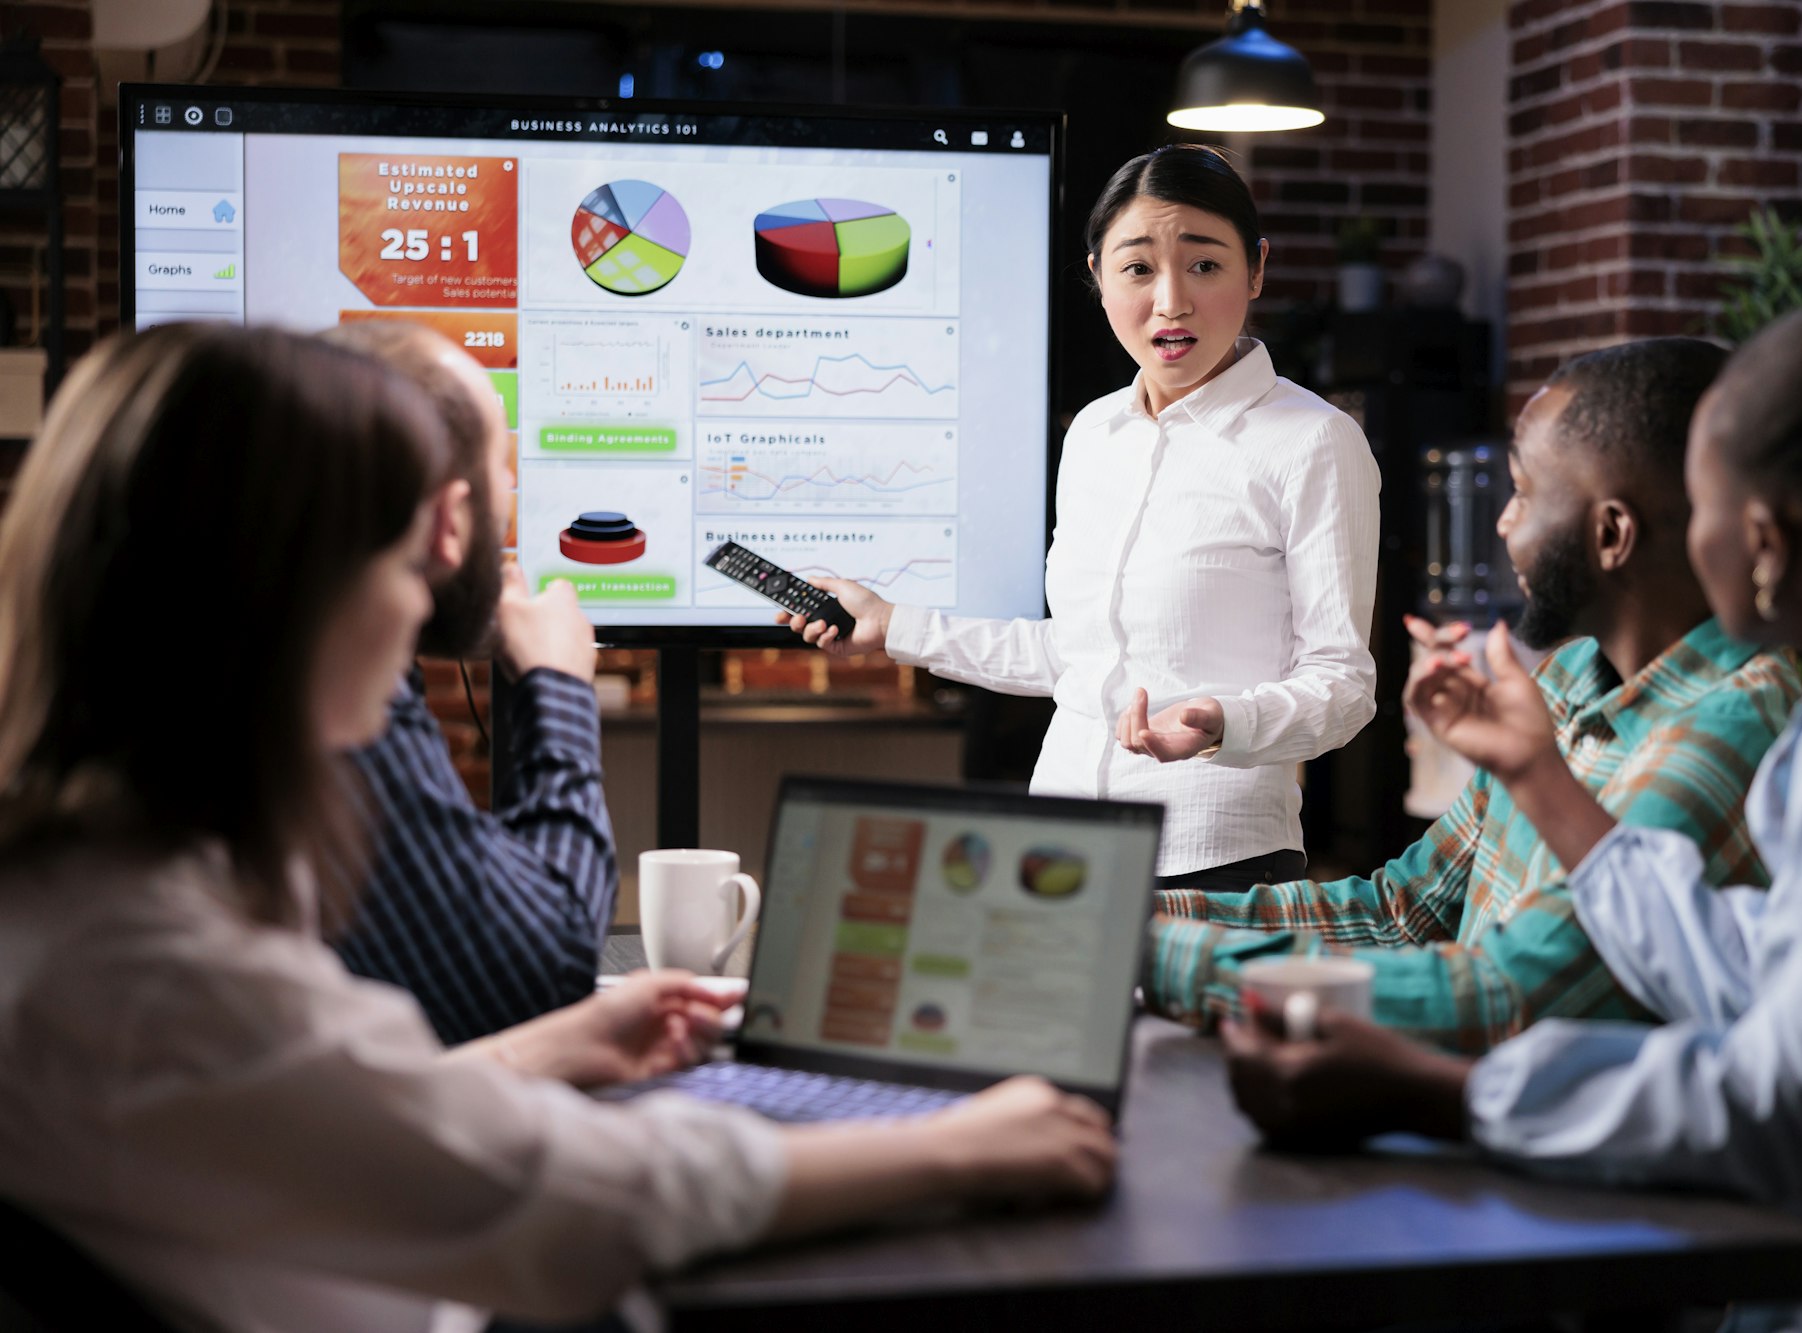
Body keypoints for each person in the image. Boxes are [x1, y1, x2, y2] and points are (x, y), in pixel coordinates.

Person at [0, 324, 1116, 1333]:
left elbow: (310, 1113)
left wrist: (544, 1051)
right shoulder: (148, 976)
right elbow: (579, 1204)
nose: (417, 607)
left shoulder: (95, 898)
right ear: (289, 592)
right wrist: (949, 1149)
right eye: (401, 563)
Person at [1224, 259, 1802, 1332]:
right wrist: (1536, 771)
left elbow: (1798, 1103)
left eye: (1705, 510)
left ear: (1761, 544)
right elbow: (1758, 967)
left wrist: (1441, 1096)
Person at [1147, 338, 1802, 1052]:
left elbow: (1501, 996)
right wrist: (1136, 911)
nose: (1502, 523)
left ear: (1611, 533)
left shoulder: (1727, 729)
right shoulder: (1570, 675)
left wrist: (1157, 956)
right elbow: (1400, 913)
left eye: (1522, 492)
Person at [780, 144, 1380, 891]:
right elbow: (1078, 656)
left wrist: (1223, 721)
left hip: (1215, 862)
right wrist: (891, 625)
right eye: (1137, 268)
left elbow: (1344, 684)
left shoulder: (1313, 440)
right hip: (1056, 851)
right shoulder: (1095, 433)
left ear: (1255, 268)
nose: (1171, 301)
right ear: (1098, 275)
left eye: (1204, 265)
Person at [319, 321, 617, 1045]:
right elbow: (538, 973)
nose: (510, 495)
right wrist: (558, 685)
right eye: (502, 469)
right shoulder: (343, 713)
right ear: (451, 520)